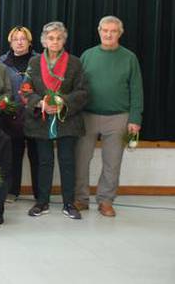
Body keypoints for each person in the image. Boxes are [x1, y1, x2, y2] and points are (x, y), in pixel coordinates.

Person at [74, 16, 143, 217]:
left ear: (119, 33)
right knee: (81, 159)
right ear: (99, 31)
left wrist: (135, 119)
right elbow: (78, 86)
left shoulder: (129, 58)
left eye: (113, 31)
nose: (108, 34)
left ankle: (106, 200)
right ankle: (81, 199)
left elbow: (137, 90)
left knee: (113, 162)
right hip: (87, 115)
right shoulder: (87, 55)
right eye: (105, 30)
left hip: (119, 117)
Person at [22, 21, 88, 220]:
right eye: (51, 38)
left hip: (67, 119)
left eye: (59, 38)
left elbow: (83, 92)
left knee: (67, 161)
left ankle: (69, 203)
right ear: (44, 40)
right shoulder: (34, 63)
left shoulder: (75, 63)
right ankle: (42, 202)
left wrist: (63, 102)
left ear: (64, 40)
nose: (55, 41)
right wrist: (40, 103)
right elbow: (25, 90)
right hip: (41, 120)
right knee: (44, 162)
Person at [0, 26, 39, 202]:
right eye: (16, 39)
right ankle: (11, 191)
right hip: (11, 117)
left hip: (35, 116)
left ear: (29, 42)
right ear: (11, 42)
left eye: (23, 38)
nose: (20, 42)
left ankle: (40, 193)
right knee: (13, 156)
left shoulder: (39, 61)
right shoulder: (2, 62)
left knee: (37, 156)